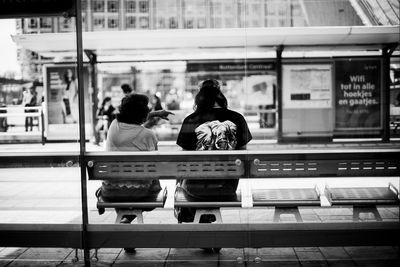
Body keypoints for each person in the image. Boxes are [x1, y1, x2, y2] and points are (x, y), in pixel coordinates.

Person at [176, 79, 252, 222]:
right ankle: (205, 217)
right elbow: (242, 154)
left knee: (182, 179)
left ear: (198, 99)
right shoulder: (237, 118)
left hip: (195, 188)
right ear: (221, 97)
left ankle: (195, 214)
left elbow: (184, 157)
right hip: (227, 187)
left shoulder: (191, 120)